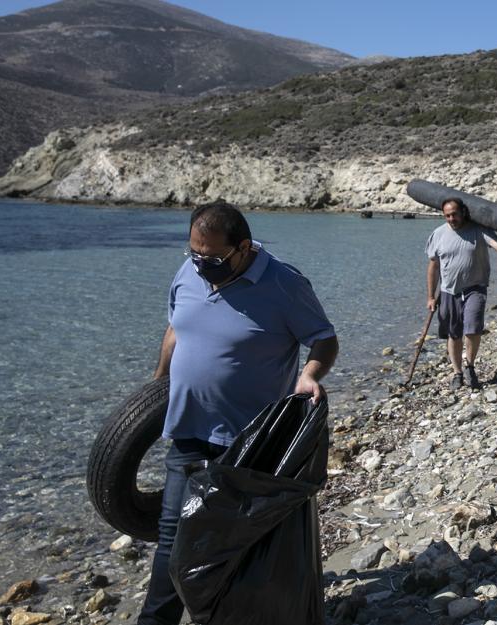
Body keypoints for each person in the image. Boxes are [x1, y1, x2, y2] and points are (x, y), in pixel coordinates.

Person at [141, 201, 339, 625]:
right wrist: (157, 387)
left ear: (243, 247)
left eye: (210, 257)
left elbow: (324, 339)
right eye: (192, 253)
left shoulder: (284, 283)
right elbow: (175, 329)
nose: (200, 264)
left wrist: (308, 376)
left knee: (234, 545)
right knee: (173, 541)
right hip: (188, 433)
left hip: (247, 445)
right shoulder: (189, 273)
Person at [425, 197, 497, 390]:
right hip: (448, 291)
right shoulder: (438, 234)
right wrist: (431, 297)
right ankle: (457, 373)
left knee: (472, 328)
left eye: (454, 214)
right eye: (447, 215)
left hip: (475, 288)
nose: (451, 218)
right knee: (453, 334)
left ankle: (470, 366)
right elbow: (433, 267)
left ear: (463, 212)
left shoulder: (478, 229)